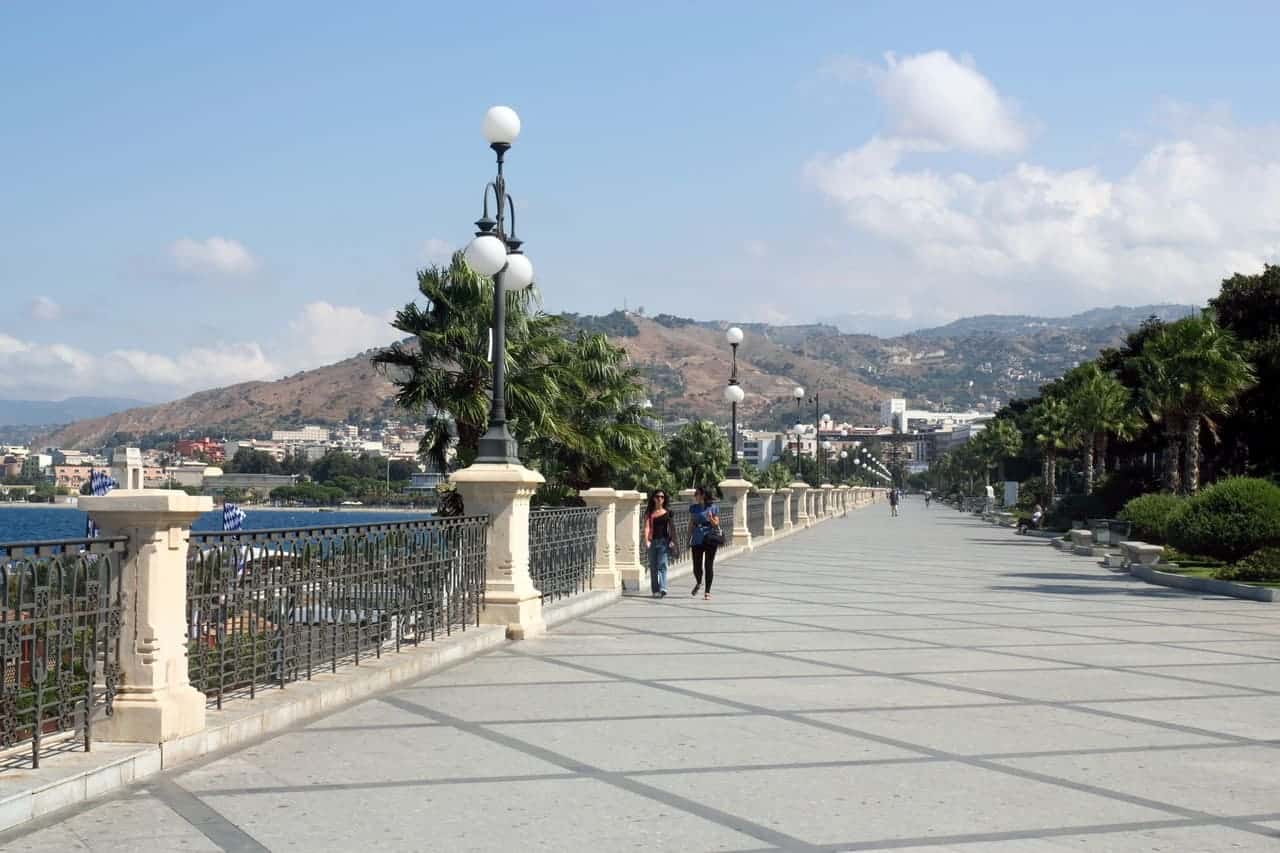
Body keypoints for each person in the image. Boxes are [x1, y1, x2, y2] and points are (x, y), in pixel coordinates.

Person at [689, 485, 721, 600]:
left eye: (696, 493)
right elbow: (691, 523)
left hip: (710, 538)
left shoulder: (713, 507)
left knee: (708, 565)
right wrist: (688, 537)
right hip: (697, 538)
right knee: (696, 566)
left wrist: (711, 518)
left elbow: (716, 524)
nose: (695, 496)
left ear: (702, 495)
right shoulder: (693, 508)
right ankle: (699, 582)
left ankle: (707, 591)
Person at [643, 489, 674, 598]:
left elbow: (671, 528)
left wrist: (671, 540)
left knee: (662, 565)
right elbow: (646, 527)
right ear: (653, 498)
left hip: (664, 542)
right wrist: (646, 540)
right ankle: (655, 590)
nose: (660, 499)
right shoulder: (649, 512)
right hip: (652, 541)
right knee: (653, 567)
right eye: (657, 496)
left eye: (662, 497)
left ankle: (663, 588)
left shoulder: (668, 512)